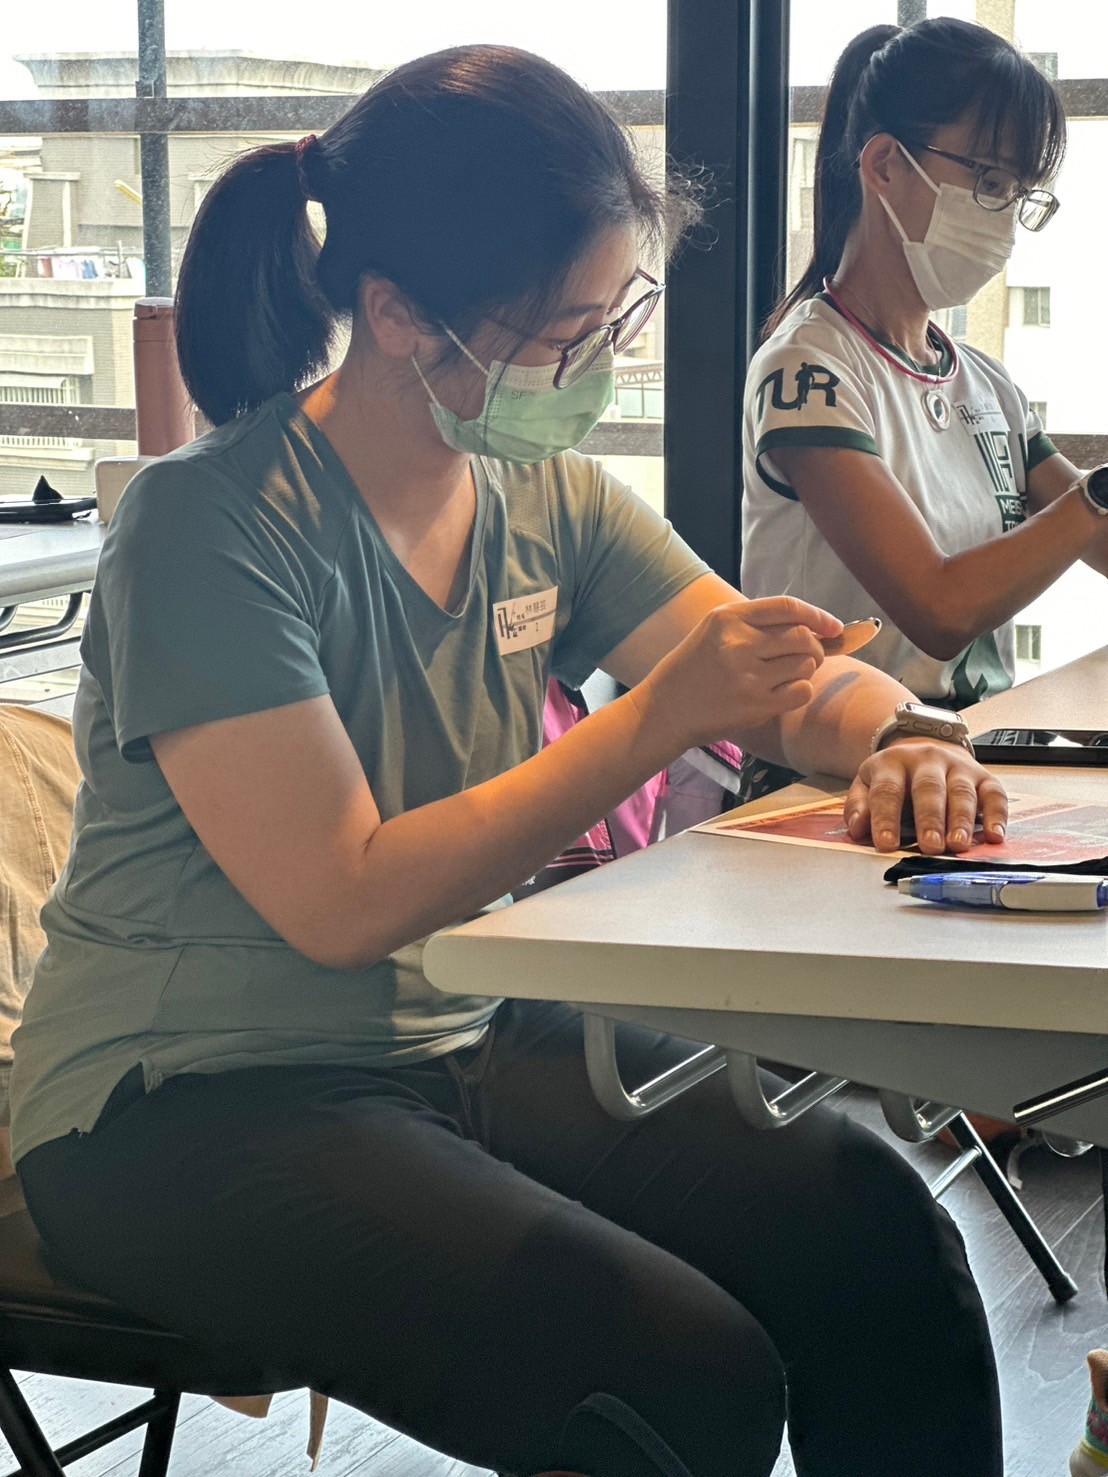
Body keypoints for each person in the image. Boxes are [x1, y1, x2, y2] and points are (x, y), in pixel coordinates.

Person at [10, 45, 1009, 1477]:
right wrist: (652, 719)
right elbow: (342, 899)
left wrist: (903, 737)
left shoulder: (547, 495)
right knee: (676, 1375)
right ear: (396, 314)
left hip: (450, 1029)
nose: (588, 369)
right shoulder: (207, 527)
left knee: (873, 1229)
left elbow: (781, 674)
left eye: (613, 322)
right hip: (182, 1100)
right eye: (561, 334)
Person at [740, 17, 1106, 800]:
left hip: (965, 766)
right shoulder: (807, 369)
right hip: (835, 779)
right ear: (884, 164)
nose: (1004, 215)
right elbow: (938, 607)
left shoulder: (986, 383)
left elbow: (1097, 536)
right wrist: (1095, 497)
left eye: (1020, 193)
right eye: (990, 180)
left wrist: (1091, 507)